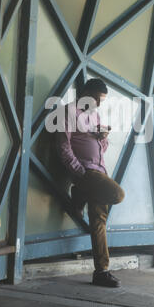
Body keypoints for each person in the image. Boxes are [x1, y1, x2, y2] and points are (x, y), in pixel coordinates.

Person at [56, 78, 125, 288]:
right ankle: (81, 191)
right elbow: (62, 146)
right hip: (88, 173)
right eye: (95, 98)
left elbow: (101, 150)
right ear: (84, 93)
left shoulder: (94, 115)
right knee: (117, 194)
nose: (98, 104)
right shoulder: (67, 112)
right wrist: (80, 172)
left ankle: (101, 272)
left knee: (98, 222)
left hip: (98, 171)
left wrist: (102, 138)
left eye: (101, 100)